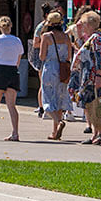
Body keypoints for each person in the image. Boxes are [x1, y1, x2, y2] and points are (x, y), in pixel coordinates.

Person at [69, 11, 101, 146]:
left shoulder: (97, 38)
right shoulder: (92, 37)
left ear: (89, 25)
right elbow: (80, 46)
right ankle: (96, 134)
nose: (82, 26)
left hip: (93, 77)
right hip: (88, 76)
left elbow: (100, 58)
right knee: (89, 104)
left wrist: (99, 76)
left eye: (83, 23)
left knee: (91, 105)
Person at [38, 11, 73, 140]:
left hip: (50, 68)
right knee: (59, 100)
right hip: (63, 69)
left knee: (47, 99)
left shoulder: (46, 36)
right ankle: (55, 132)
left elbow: (42, 56)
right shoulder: (66, 37)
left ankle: (59, 122)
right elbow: (69, 55)